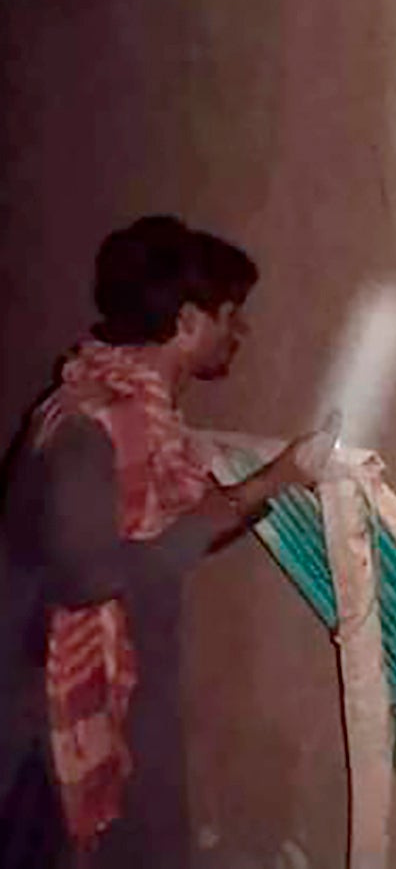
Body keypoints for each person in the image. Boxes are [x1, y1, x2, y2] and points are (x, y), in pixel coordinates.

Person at [0, 216, 334, 869]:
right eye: (231, 316)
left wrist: (268, 490)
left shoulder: (144, 422)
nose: (241, 333)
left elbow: (174, 535)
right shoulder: (91, 424)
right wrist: (268, 480)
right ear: (187, 322)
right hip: (40, 711)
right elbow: (87, 577)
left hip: (103, 693)